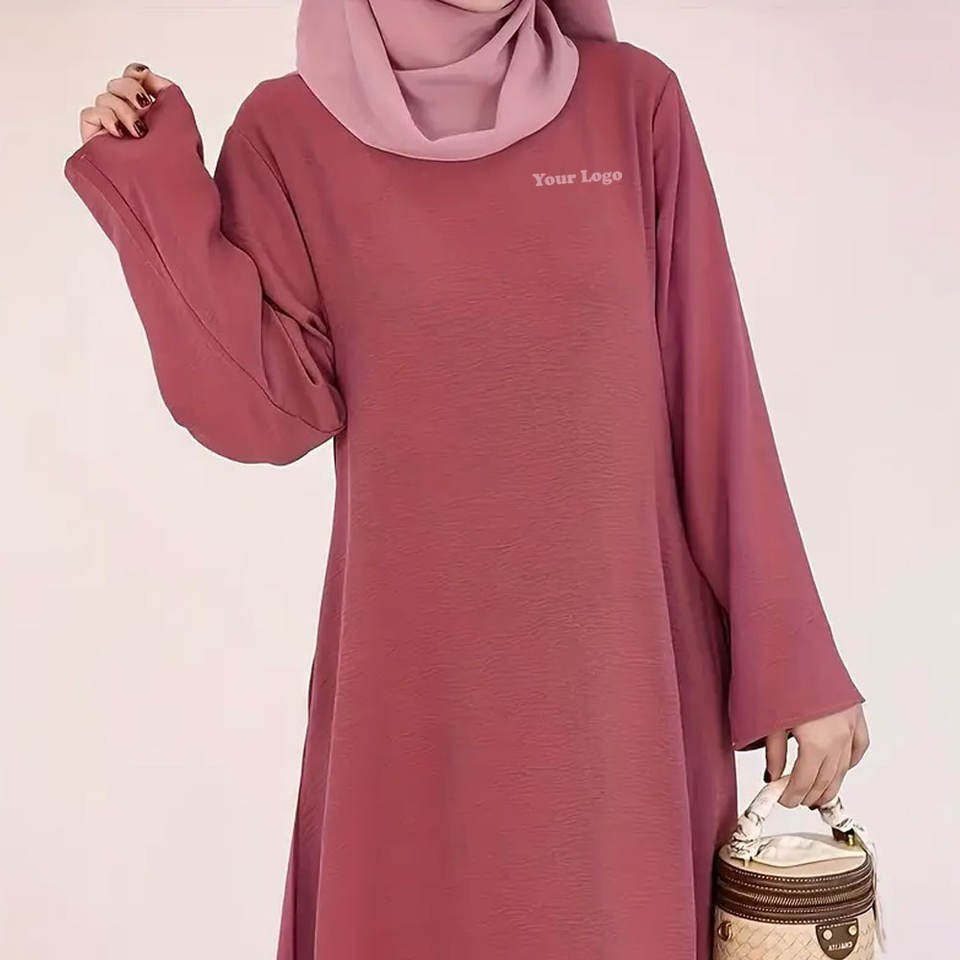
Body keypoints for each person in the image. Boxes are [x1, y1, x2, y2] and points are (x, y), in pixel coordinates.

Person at [64, 1, 869, 958]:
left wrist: (793, 662)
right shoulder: (289, 130)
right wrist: (154, 190)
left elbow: (715, 392)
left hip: (623, 685)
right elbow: (266, 412)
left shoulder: (630, 102)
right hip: (411, 689)